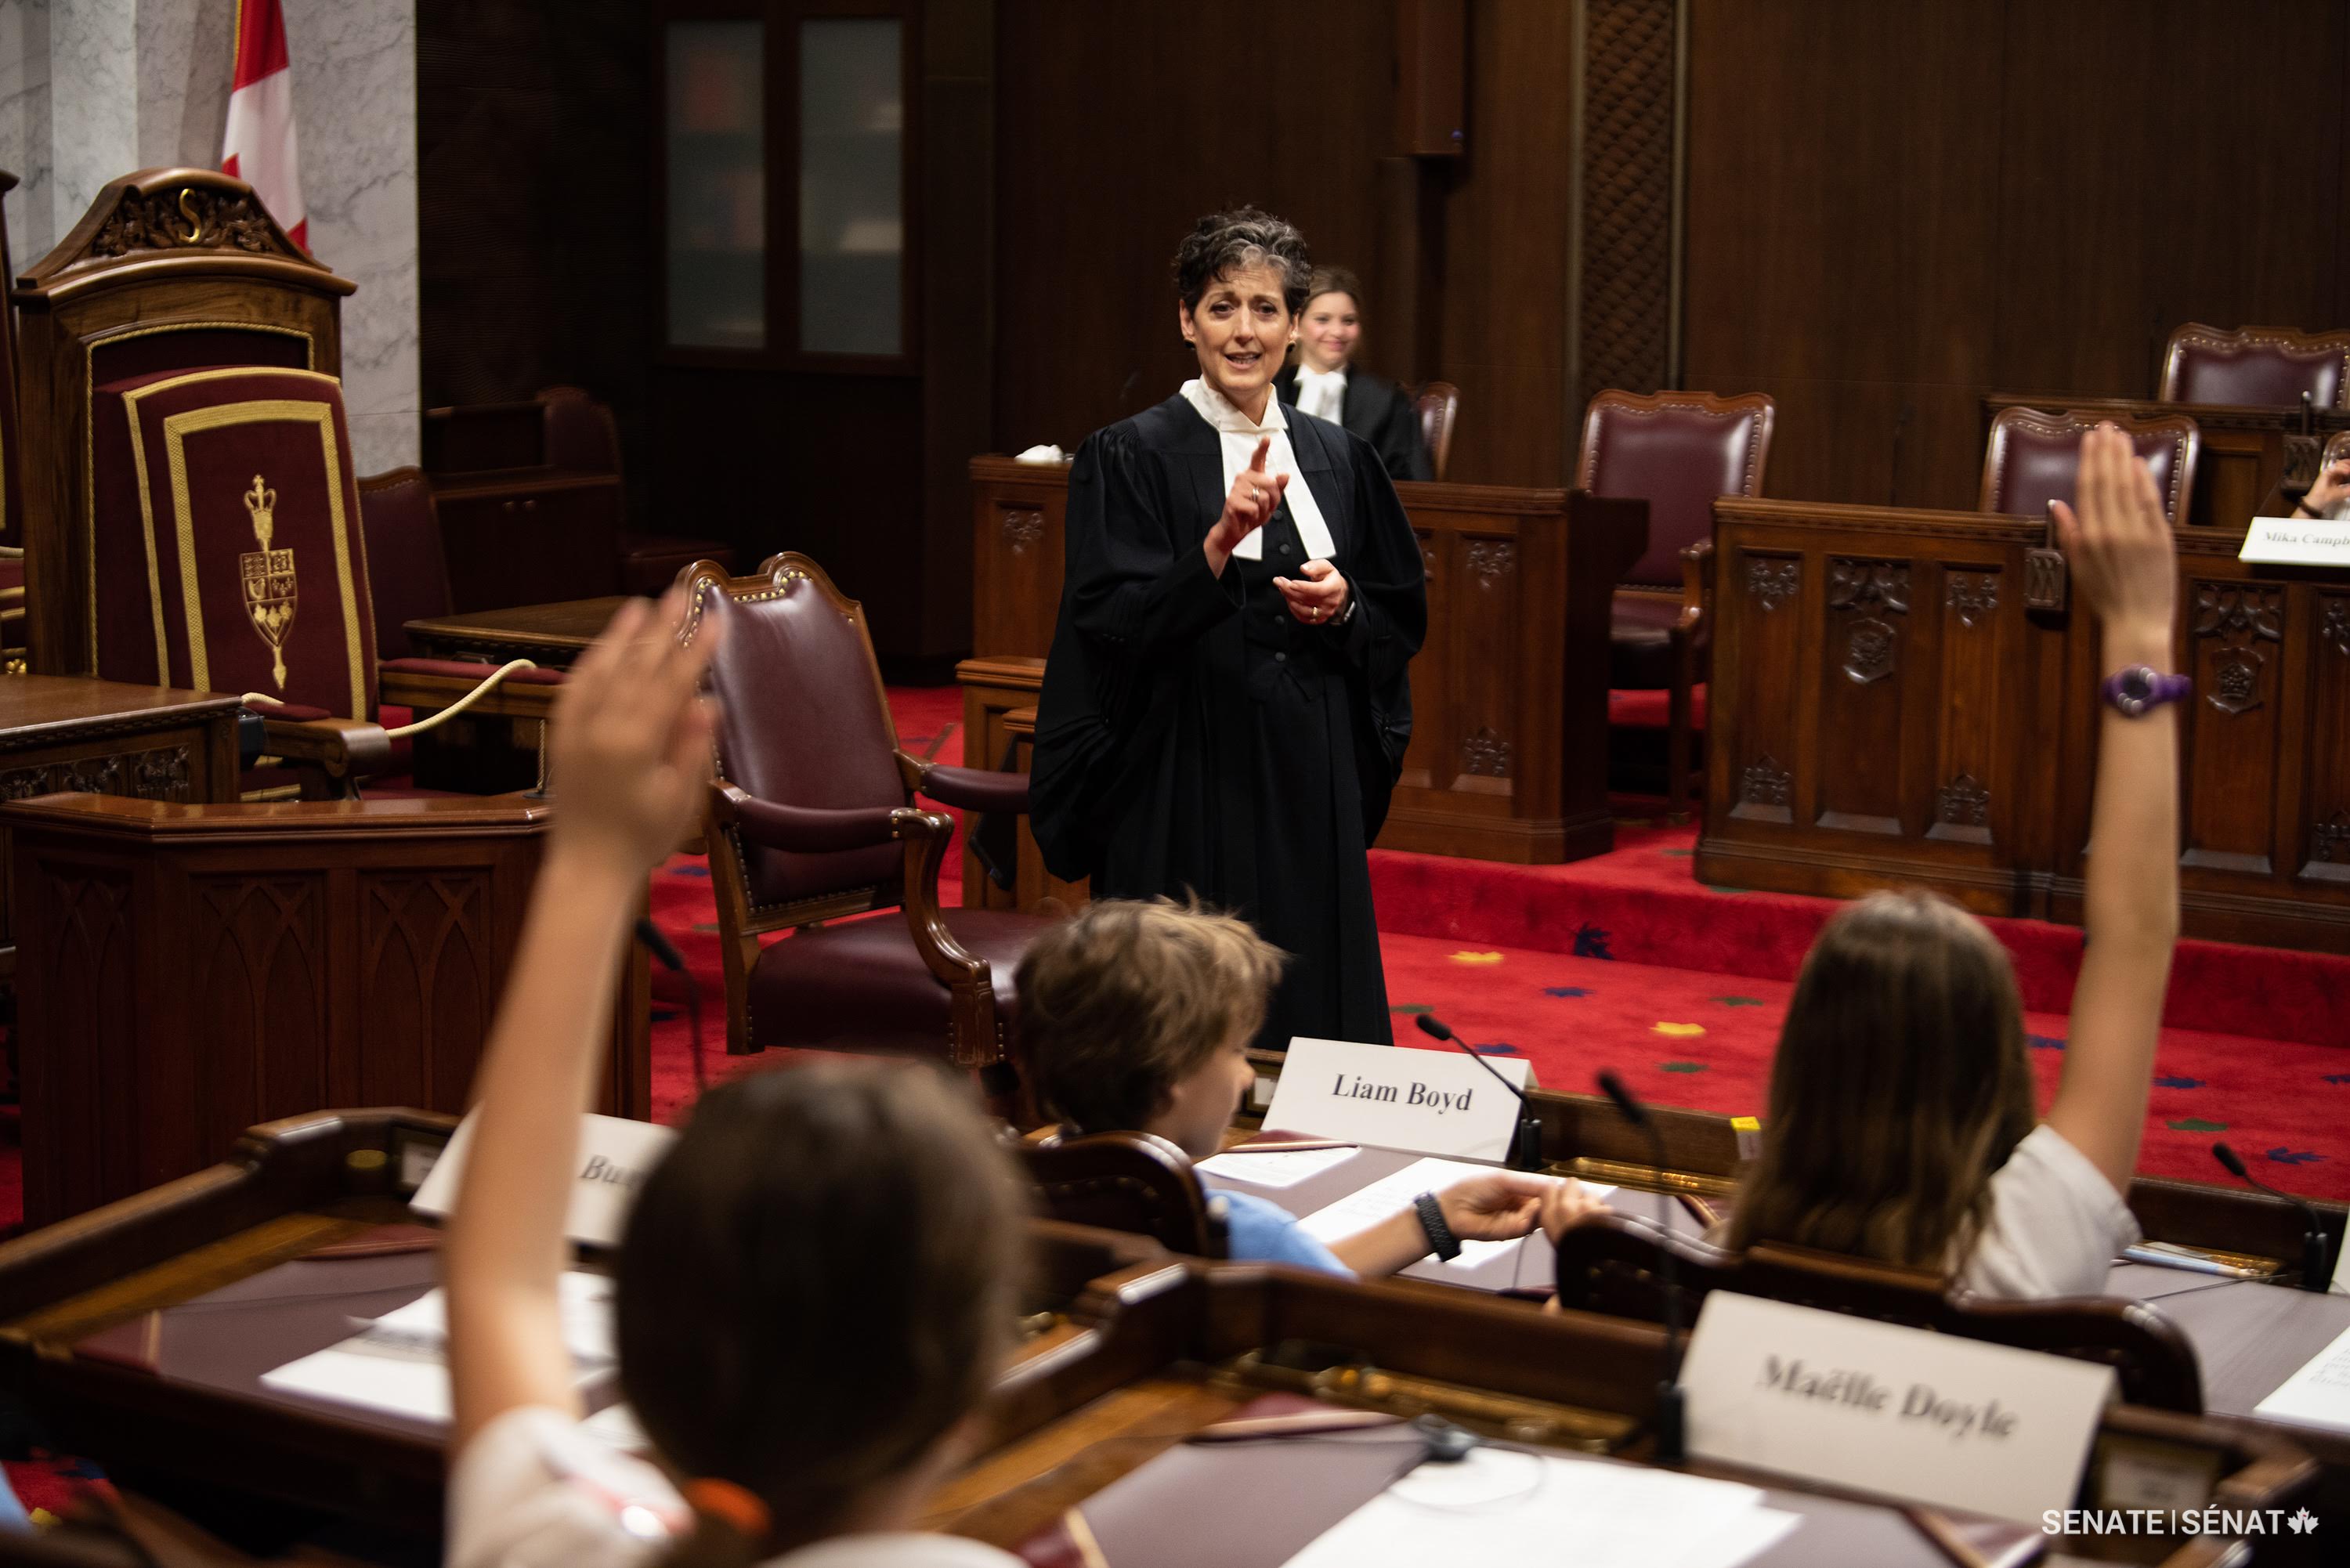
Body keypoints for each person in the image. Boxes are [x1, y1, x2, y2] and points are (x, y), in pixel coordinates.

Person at [443, 591, 1029, 1568]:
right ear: (970, 1404)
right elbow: (499, 1280)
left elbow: (500, 1278)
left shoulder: (555, 1543)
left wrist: (591, 857)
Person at [1705, 425, 2181, 1299]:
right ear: (1993, 1062)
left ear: (1804, 1066)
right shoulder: (2032, 1236)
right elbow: (2138, 933)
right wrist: (2141, 634)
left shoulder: (1741, 1252)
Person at [1030, 208, 1428, 1053]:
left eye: (1265, 308)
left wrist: (1345, 604)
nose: (1243, 331)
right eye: (1221, 307)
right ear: (1186, 319)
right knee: (1179, 1021)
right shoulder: (1128, 455)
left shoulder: (1342, 459)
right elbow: (1109, 626)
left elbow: (1399, 615)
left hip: (1306, 770)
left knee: (1310, 1003)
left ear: (1293, 326)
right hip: (1179, 769)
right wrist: (1214, 546)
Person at [1017, 898, 1608, 1277]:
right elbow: (1336, 1306)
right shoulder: (1233, 1224)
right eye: (1235, 1051)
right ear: (1171, 1077)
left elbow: (1310, 1274)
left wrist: (1437, 1219)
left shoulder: (1040, 1183)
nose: (1248, 1074)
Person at [1273, 266, 1433, 482]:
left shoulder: (1387, 401)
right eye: (1323, 319)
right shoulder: (1268, 392)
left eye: (1348, 321)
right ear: (1296, 325)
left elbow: (1413, 485)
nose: (1338, 332)